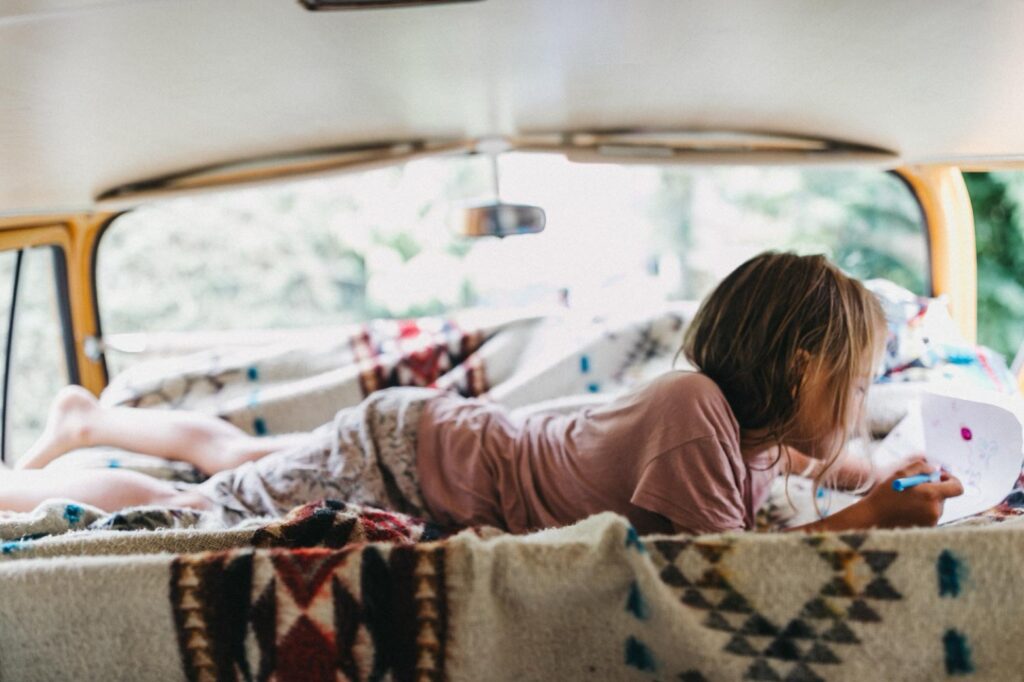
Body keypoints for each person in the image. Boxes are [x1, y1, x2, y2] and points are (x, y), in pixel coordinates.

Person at [1, 252, 963, 534]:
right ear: (800, 369)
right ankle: (26, 485)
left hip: (433, 444)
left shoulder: (757, 439)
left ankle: (91, 419)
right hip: (402, 459)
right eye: (861, 379)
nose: (863, 399)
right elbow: (712, 578)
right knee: (201, 508)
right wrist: (869, 520)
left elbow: (838, 459)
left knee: (236, 461)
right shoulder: (694, 413)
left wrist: (888, 472)